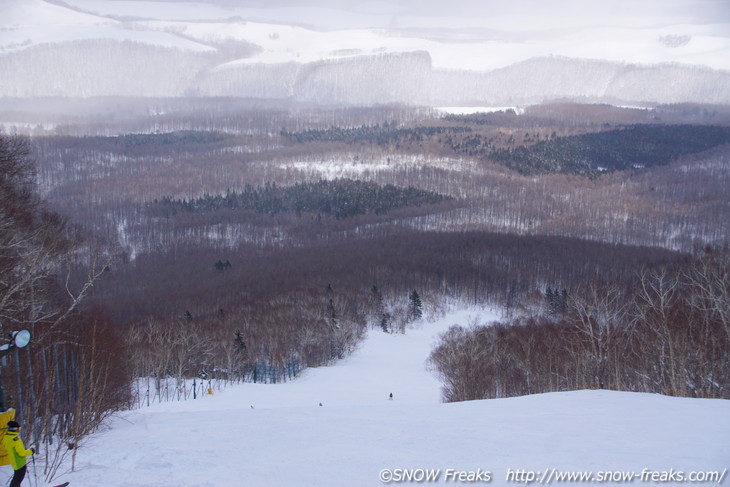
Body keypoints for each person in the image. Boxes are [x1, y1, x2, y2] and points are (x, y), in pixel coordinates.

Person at [2, 421, 34, 487]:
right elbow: (22, 453)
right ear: (15, 429)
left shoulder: (6, 438)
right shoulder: (16, 440)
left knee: (16, 479)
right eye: (18, 429)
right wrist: (31, 451)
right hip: (20, 463)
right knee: (17, 480)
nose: (19, 430)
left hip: (14, 462)